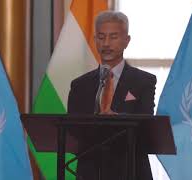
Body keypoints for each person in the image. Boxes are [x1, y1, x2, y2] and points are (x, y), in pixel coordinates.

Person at [67, 11, 156, 180]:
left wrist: (117, 119)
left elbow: (146, 124)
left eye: (113, 37)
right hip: (90, 171)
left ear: (126, 41)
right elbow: (71, 129)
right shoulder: (79, 85)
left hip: (131, 170)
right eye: (101, 37)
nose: (106, 43)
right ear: (94, 40)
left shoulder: (144, 81)